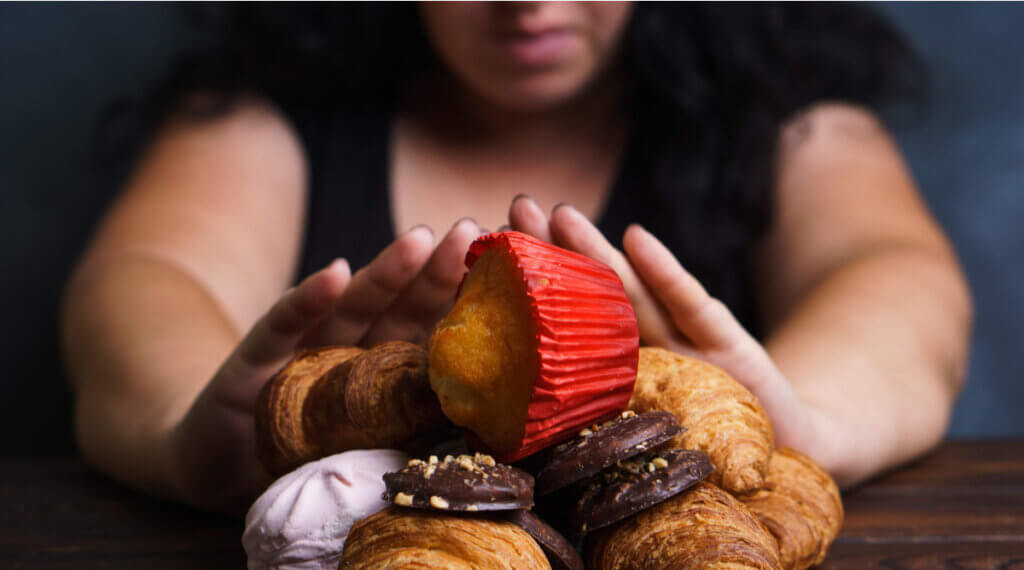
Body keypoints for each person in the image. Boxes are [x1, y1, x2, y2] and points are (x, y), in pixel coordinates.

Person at [61, 3, 972, 515]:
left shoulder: (792, 126)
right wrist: (185, 429)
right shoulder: (262, 123)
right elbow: (144, 280)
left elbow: (897, 277)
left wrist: (805, 418)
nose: (528, 2)